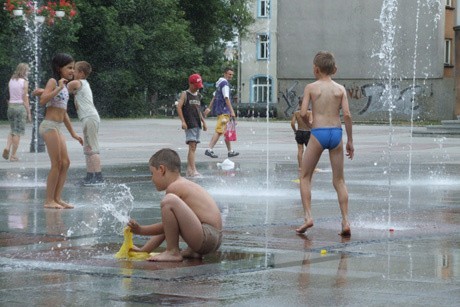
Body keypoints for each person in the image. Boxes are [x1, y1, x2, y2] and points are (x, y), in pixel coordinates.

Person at [127, 148, 223, 262]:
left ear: (162, 169)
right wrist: (144, 250)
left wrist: (141, 230)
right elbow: (169, 227)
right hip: (213, 238)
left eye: (152, 173)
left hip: (206, 236)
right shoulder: (183, 184)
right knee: (171, 212)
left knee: (168, 200)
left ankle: (172, 252)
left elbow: (165, 227)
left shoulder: (174, 187)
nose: (151, 179)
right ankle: (193, 251)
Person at [296, 51, 354, 237]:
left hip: (319, 133)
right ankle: (345, 220)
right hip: (336, 133)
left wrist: (311, 125)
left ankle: (308, 217)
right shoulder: (340, 89)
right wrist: (350, 141)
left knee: (305, 176)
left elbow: (303, 112)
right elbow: (347, 115)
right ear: (335, 69)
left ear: (315, 69)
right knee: (339, 180)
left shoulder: (311, 88)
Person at [35, 53, 83, 209]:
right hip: (49, 125)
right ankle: (49, 200)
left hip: (57, 126)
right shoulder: (53, 81)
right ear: (58, 68)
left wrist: (73, 134)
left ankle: (57, 198)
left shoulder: (63, 85)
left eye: (73, 68)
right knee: (56, 163)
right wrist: (59, 88)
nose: (72, 71)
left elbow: (64, 113)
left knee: (65, 163)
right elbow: (43, 101)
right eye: (69, 67)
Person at [67, 61, 104, 186]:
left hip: (90, 117)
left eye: (75, 70)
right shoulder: (83, 83)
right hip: (87, 118)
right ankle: (90, 176)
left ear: (81, 73)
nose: (72, 72)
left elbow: (62, 89)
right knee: (88, 148)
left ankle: (98, 177)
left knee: (93, 148)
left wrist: (45, 91)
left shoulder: (78, 83)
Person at [203, 67, 239, 158]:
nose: (231, 76)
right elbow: (226, 98)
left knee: (225, 131)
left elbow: (214, 97)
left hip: (220, 111)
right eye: (229, 74)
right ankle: (209, 149)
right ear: (225, 74)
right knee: (219, 131)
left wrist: (209, 108)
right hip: (224, 111)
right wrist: (232, 111)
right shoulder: (225, 84)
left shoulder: (219, 84)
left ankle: (230, 151)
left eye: (232, 75)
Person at [176, 74, 207, 177]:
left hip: (197, 123)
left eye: (199, 85)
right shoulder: (185, 94)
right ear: (190, 83)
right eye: (196, 85)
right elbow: (179, 107)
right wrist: (183, 121)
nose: (197, 87)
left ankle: (190, 169)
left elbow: (199, 110)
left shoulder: (198, 95)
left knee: (194, 146)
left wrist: (203, 121)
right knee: (192, 146)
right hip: (189, 123)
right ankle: (192, 169)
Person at [3, 63, 32, 162]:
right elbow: (25, 98)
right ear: (24, 71)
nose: (28, 72)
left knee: (12, 129)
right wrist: (28, 112)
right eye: (27, 70)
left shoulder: (11, 80)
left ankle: (7, 147)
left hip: (11, 106)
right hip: (20, 107)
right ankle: (13, 155)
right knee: (17, 132)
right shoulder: (24, 82)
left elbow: (8, 94)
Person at [291, 96, 313, 172]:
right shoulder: (310, 112)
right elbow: (311, 122)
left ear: (299, 104)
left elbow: (292, 123)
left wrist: (295, 131)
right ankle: (310, 167)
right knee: (310, 151)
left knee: (300, 150)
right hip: (307, 132)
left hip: (299, 132)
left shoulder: (296, 113)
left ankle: (300, 167)